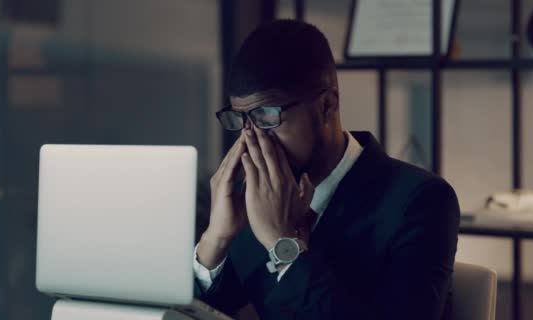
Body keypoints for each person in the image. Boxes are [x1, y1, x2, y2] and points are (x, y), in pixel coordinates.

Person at [193, 19, 460, 320]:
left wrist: (283, 245)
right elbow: (200, 312)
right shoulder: (253, 197)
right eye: (242, 121)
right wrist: (215, 240)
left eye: (266, 116)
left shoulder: (420, 201)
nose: (254, 141)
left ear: (327, 106)